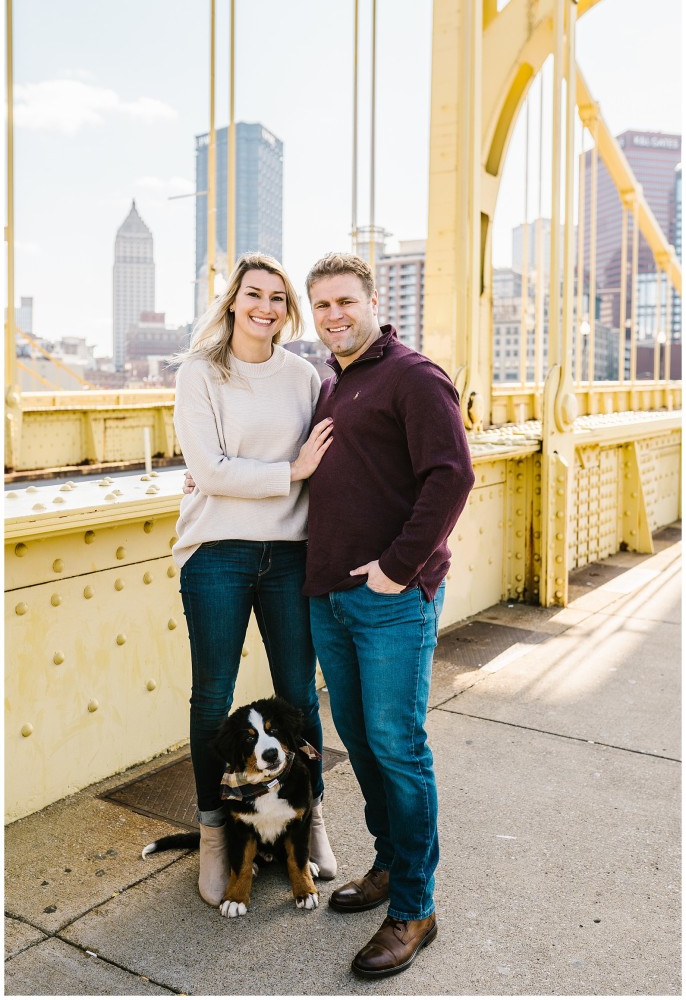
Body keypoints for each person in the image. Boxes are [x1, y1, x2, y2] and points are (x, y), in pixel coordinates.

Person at [303, 253, 475, 978]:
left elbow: (452, 475)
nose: (334, 315)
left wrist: (397, 570)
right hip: (330, 600)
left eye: (345, 301)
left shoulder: (413, 375)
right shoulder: (334, 384)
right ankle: (387, 862)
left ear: (373, 300)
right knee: (364, 744)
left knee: (398, 747)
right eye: (321, 306)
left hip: (391, 603)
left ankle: (415, 906)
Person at [172, 252, 337, 909]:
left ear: (287, 309)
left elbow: (335, 452)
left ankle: (312, 817)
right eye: (252, 295)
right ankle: (215, 832)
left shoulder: (306, 376)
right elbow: (209, 472)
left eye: (277, 297)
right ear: (233, 302)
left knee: (299, 691)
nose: (264, 307)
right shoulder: (199, 372)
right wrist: (288, 472)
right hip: (216, 549)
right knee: (212, 694)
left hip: (289, 552)